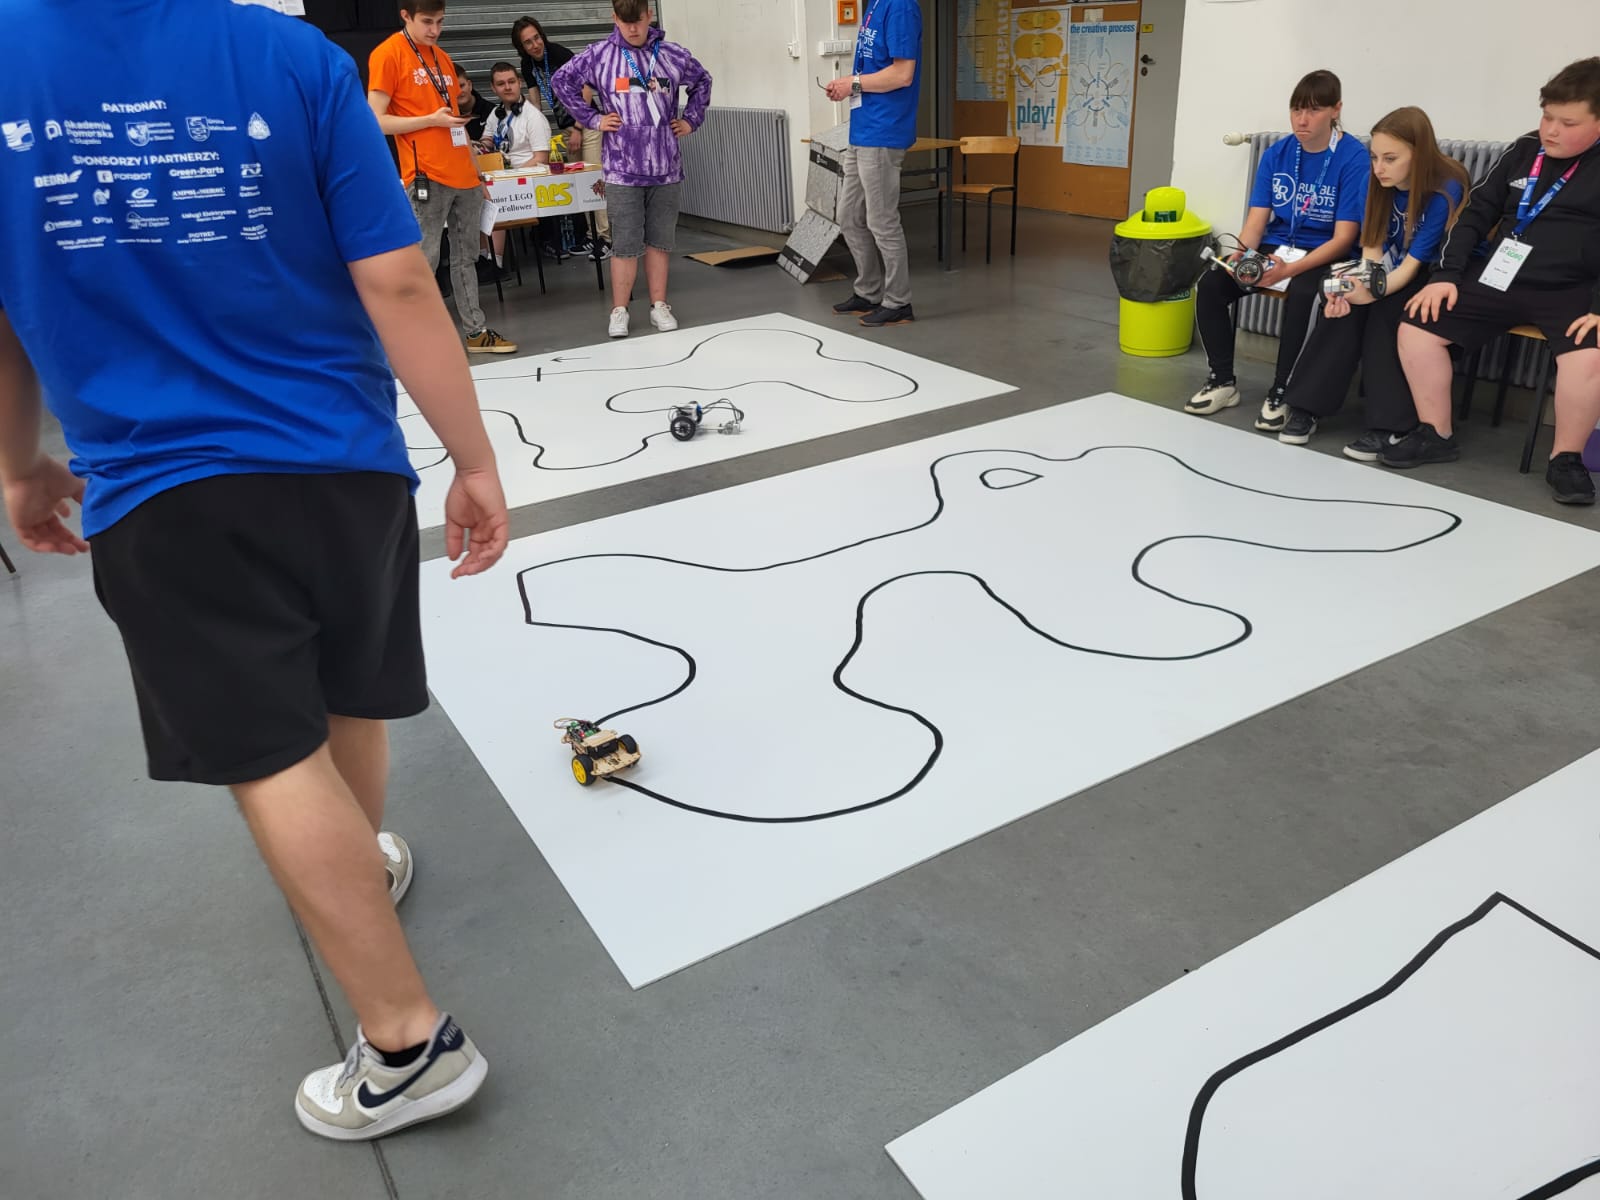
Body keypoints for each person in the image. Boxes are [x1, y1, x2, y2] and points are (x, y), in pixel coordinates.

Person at [0, 0, 511, 1140]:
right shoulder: (290, 56)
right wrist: (472, 460)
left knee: (268, 751)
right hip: (343, 461)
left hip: (164, 482)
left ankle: (407, 1045)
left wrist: (20, 464)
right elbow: (397, 280)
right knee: (342, 692)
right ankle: (357, 869)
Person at [1389, 57, 1600, 504]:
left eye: (1567, 123)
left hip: (1572, 290)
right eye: (1547, 116)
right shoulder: (1523, 150)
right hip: (1499, 278)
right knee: (1417, 325)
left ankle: (1566, 460)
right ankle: (1436, 433)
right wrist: (1445, 276)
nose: (1551, 131)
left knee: (1589, 355)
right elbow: (1474, 214)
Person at [1276, 107, 1469, 457]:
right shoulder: (1373, 181)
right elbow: (1372, 249)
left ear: (1419, 155)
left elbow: (1412, 267)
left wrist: (1371, 295)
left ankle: (1389, 425)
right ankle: (1306, 406)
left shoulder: (1444, 190)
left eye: (1390, 159)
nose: (1379, 167)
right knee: (1341, 299)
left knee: (1388, 311)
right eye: (1375, 157)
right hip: (1390, 264)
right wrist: (1357, 288)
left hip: (1433, 273)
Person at [1186, 70, 1369, 431]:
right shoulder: (1278, 153)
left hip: (1327, 251)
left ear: (1336, 110)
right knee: (1212, 284)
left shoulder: (1354, 158)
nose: (1302, 120)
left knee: (1304, 294)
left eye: (1314, 110)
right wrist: (1241, 253)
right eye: (1296, 110)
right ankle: (1222, 381)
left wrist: (1289, 270)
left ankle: (1283, 391)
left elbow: (1344, 238)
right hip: (1280, 245)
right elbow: (1257, 221)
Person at [552, 0, 712, 339]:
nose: (633, 29)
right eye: (625, 23)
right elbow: (561, 81)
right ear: (614, 18)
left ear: (649, 15)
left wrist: (690, 120)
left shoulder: (671, 54)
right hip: (622, 170)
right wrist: (592, 118)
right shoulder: (599, 55)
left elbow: (702, 80)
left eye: (638, 21)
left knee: (660, 241)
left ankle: (659, 305)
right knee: (624, 243)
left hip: (665, 167)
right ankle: (619, 310)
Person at [369, 0, 518, 354]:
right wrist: (428, 121)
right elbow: (374, 119)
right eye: (427, 22)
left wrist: (478, 175)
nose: (435, 30)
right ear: (405, 16)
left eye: (440, 21)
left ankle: (475, 331)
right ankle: (413, 339)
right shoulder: (388, 54)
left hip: (462, 175)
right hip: (426, 175)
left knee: (467, 258)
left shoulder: (442, 58)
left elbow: (454, 122)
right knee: (425, 259)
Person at [824, 0, 922, 329]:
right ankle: (868, 292)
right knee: (849, 216)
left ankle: (898, 302)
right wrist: (850, 84)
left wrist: (851, 83)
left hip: (884, 130)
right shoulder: (874, 5)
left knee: (881, 220)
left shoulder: (901, 7)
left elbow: (902, 74)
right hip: (863, 128)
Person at [513, 15, 611, 257]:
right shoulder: (527, 65)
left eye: (537, 38)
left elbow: (586, 90)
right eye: (528, 42)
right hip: (567, 128)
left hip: (587, 124)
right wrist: (532, 130)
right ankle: (590, 236)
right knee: (578, 183)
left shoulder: (559, 54)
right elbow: (536, 103)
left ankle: (606, 238)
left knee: (593, 179)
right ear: (521, 47)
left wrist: (578, 128)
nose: (535, 44)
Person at [480, 60, 553, 267]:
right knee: (473, 194)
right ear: (493, 88)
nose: (507, 87)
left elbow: (541, 158)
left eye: (511, 81)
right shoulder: (496, 114)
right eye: (501, 83)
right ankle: (482, 256)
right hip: (503, 177)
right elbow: (487, 141)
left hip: (528, 181)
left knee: (494, 197)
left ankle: (495, 263)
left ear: (519, 83)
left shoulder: (533, 116)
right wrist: (476, 145)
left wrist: (507, 176)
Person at [456, 70, 496, 144]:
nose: (459, 91)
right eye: (453, 88)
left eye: (461, 86)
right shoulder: (445, 117)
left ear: (470, 85)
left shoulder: (492, 112)